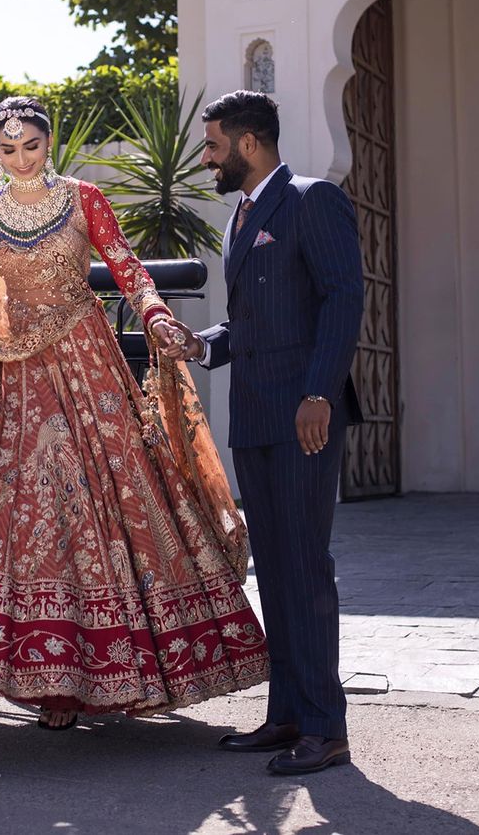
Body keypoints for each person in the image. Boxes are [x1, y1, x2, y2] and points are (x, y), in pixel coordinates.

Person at [0, 95, 269, 731]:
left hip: (83, 361)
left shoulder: (83, 200)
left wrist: (151, 312)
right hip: (8, 371)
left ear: (50, 143)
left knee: (92, 500)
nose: (19, 159)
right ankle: (49, 677)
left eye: (30, 147)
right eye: (7, 150)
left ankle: (106, 670)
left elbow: (127, 269)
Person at [164, 90, 364, 774]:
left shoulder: (312, 200)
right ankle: (286, 716)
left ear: (250, 143)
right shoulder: (239, 217)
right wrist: (205, 344)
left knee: (307, 568)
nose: (208, 159)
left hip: (304, 417)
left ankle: (325, 727)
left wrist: (320, 393)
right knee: (274, 571)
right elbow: (257, 320)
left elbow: (343, 297)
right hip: (253, 416)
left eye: (214, 145)